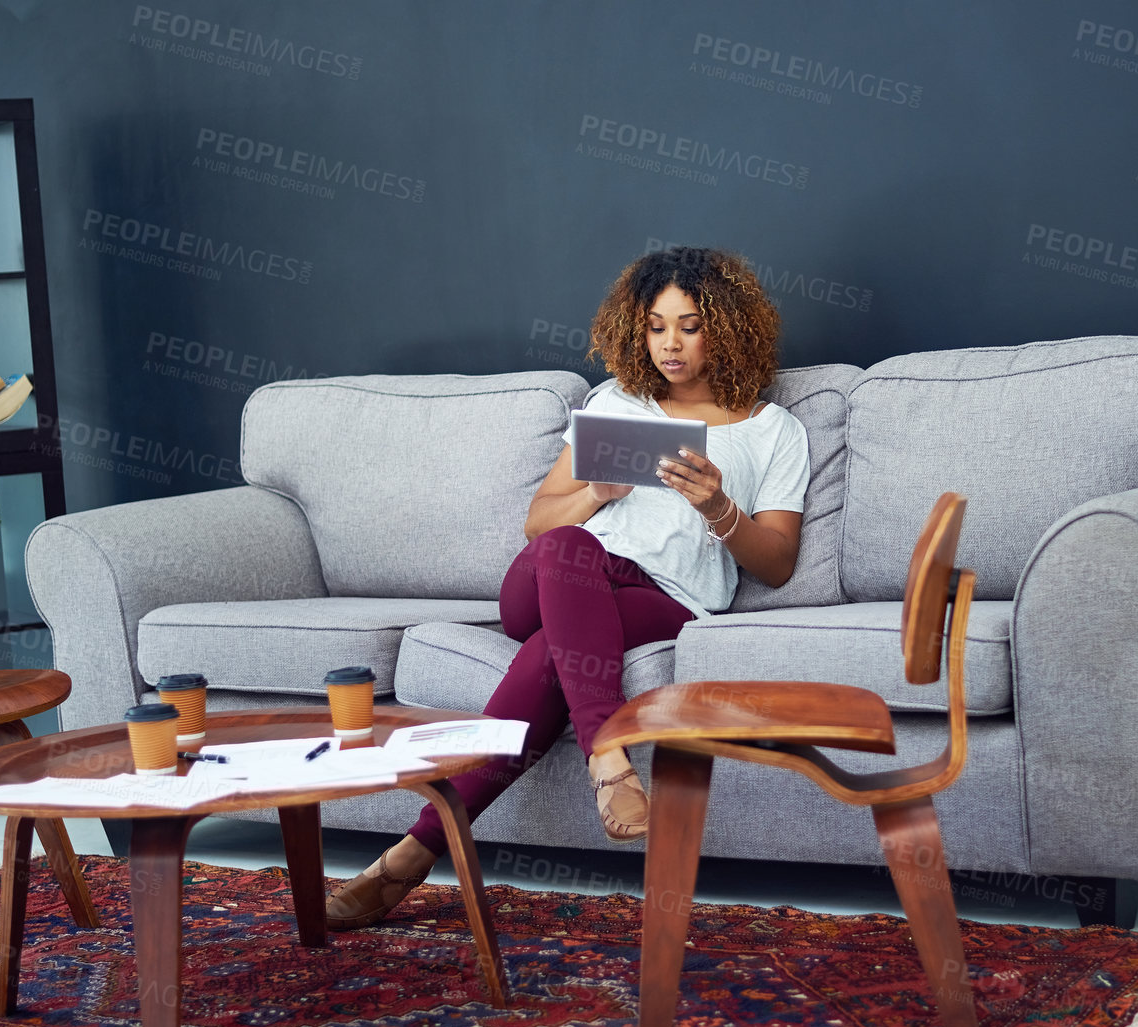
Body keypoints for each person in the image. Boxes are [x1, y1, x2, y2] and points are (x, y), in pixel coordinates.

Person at [326, 246, 812, 929]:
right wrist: (594, 493)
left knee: (559, 649)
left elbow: (779, 561)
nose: (670, 342)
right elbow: (538, 524)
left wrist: (718, 508)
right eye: (655, 325)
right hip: (551, 579)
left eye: (690, 325)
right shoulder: (617, 401)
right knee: (565, 545)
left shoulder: (772, 430)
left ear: (726, 327)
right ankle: (607, 754)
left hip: (662, 600)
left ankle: (409, 856)